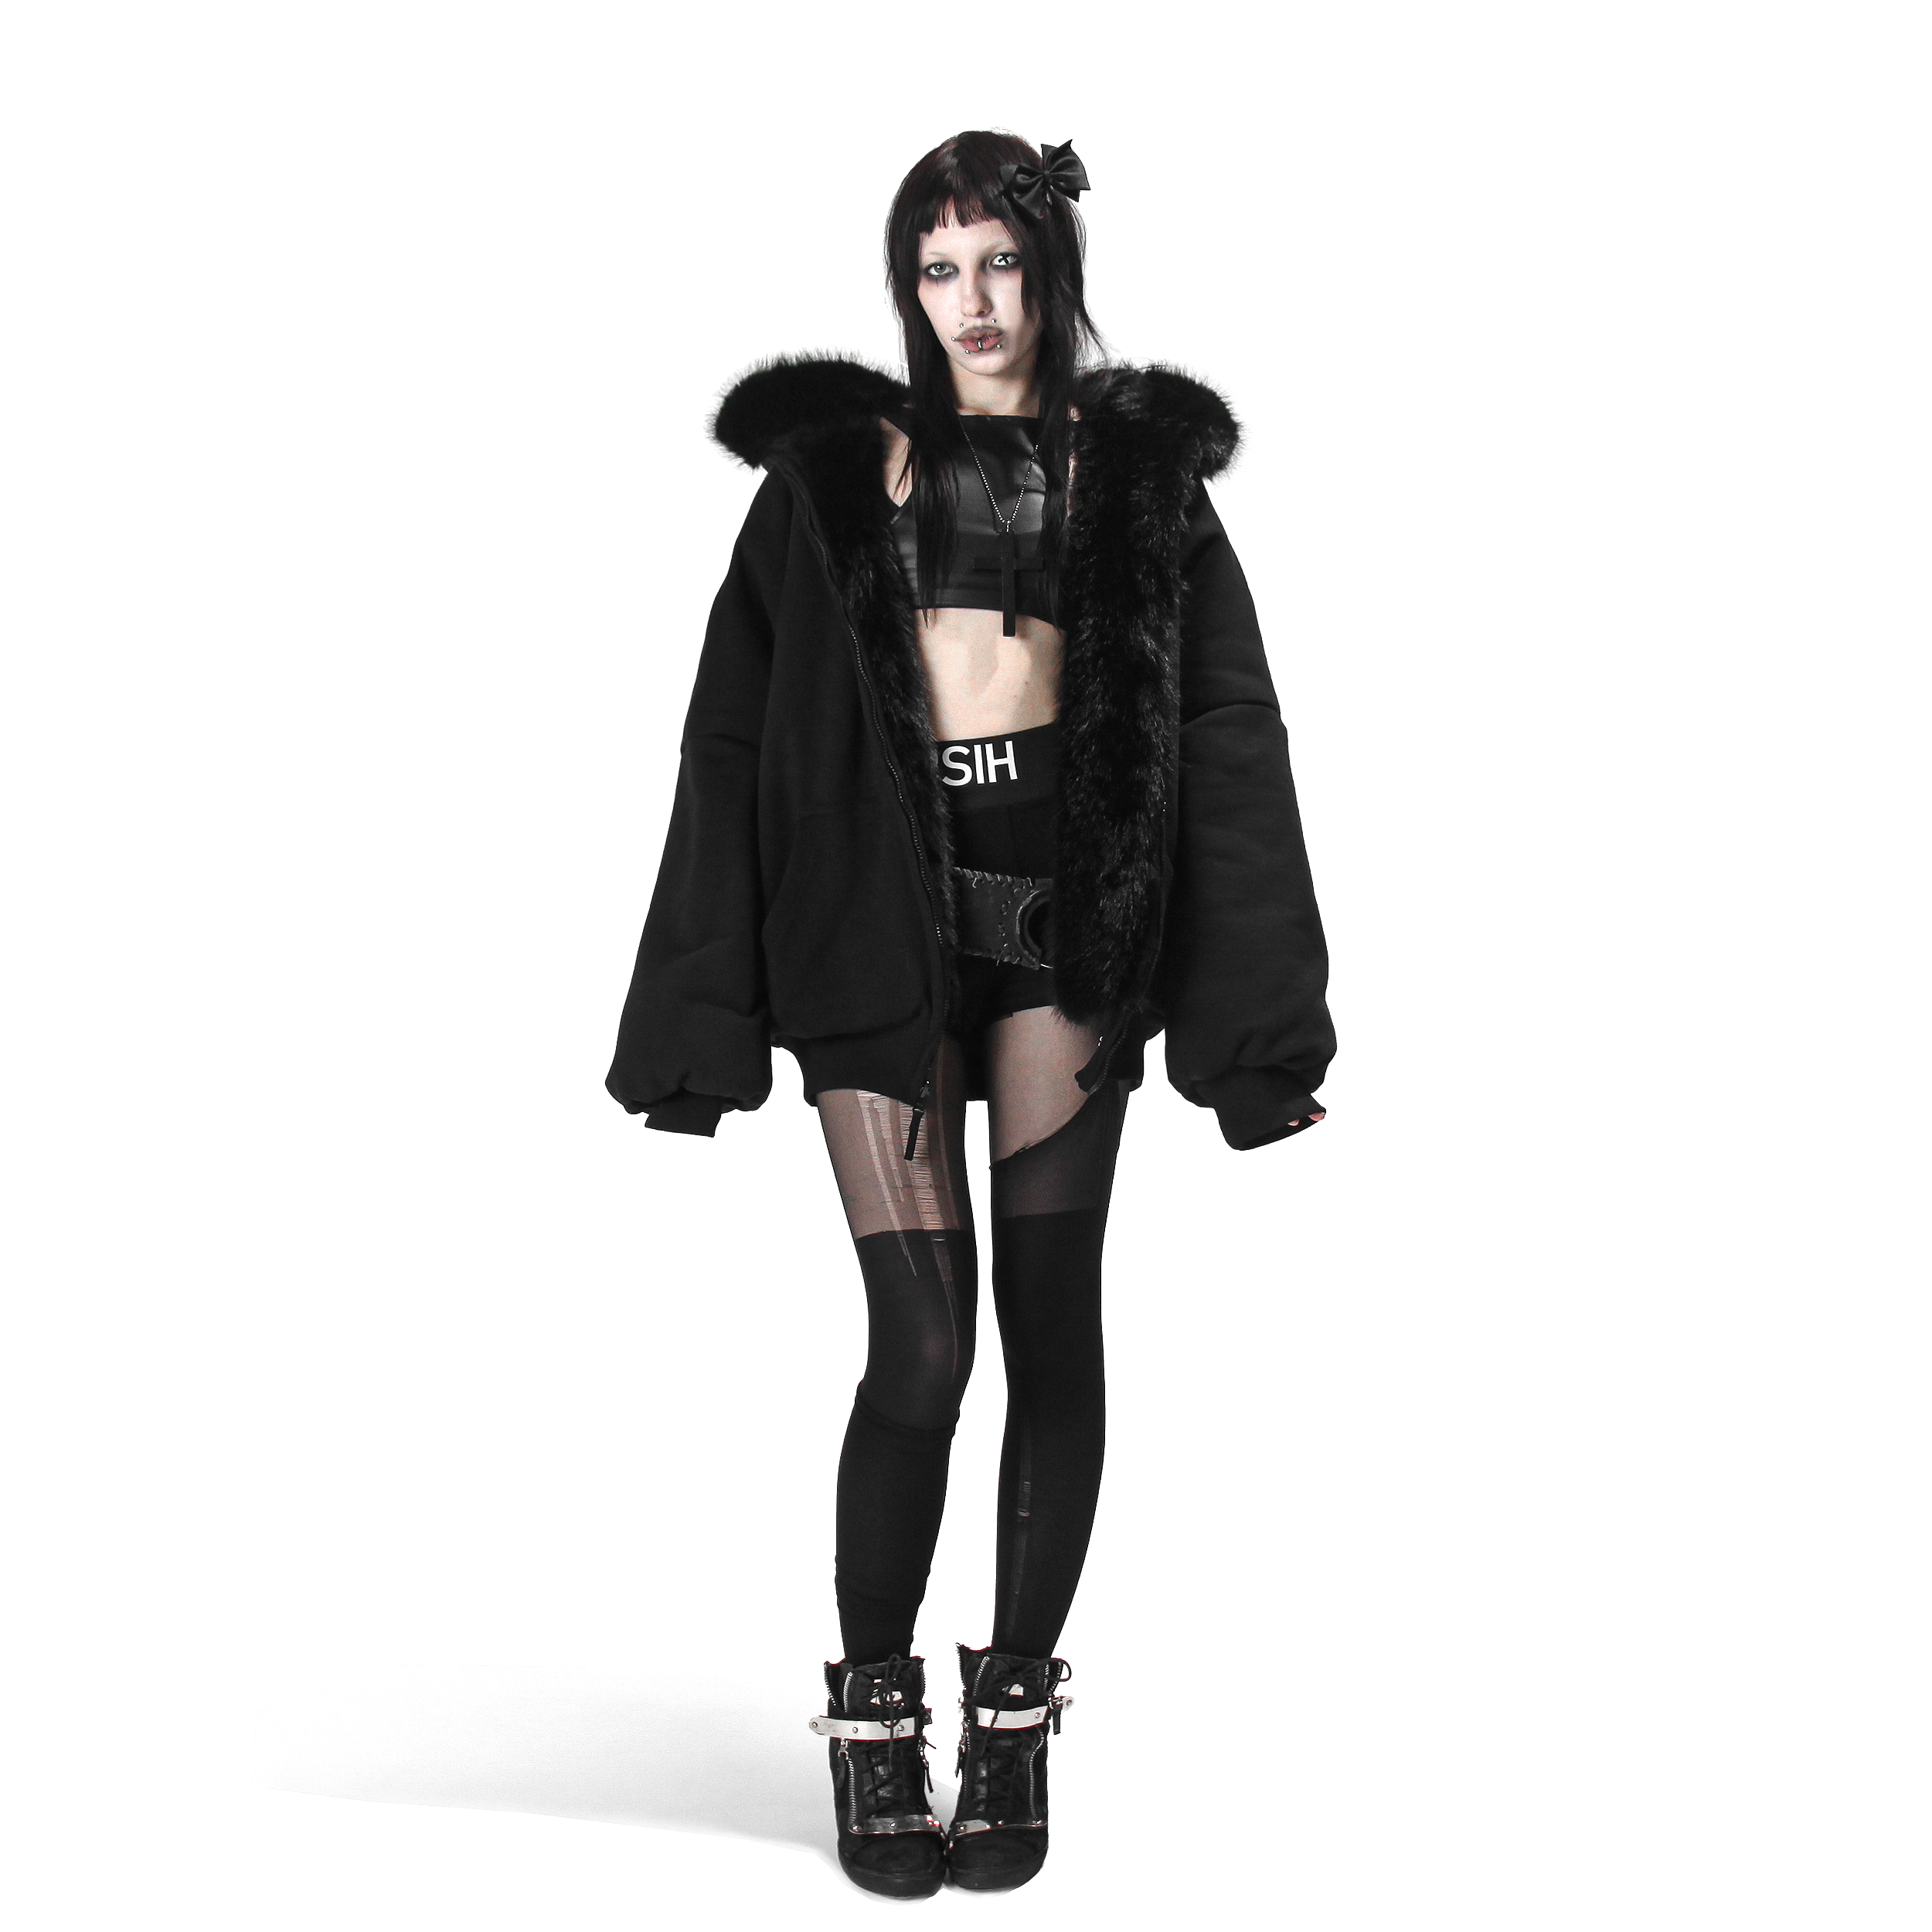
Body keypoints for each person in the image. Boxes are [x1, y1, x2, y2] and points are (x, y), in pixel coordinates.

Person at [606, 130, 1335, 1897]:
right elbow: (728, 741)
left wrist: (1256, 1031)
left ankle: (1010, 1715)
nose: (971, 300)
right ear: (906, 287)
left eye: (998, 261)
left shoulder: (1133, 478)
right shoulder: (828, 475)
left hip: (1061, 929)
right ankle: (873, 1720)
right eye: (937, 268)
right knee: (922, 1347)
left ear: (1049, 270)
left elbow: (1226, 735)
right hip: (878, 923)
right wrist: (692, 1015)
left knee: (1050, 1327)